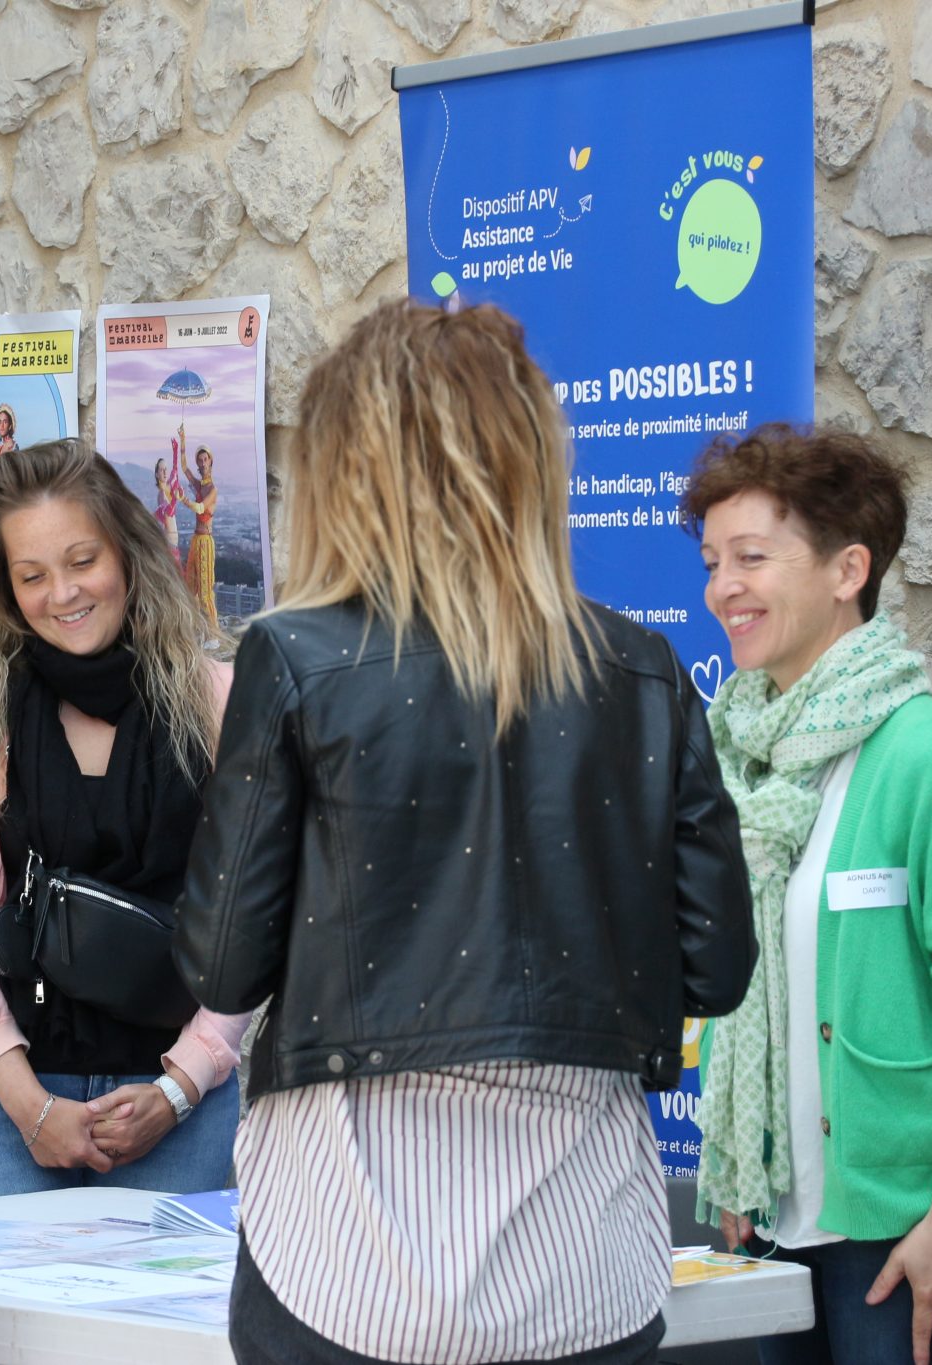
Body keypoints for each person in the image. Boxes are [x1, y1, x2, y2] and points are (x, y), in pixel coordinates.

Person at [172, 299, 757, 1365]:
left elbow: (220, 963)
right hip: (581, 1253)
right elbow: (714, 968)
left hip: (345, 1250)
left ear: (346, 470)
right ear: (528, 459)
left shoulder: (297, 660)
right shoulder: (641, 671)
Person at [683, 426, 932, 1365]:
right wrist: (743, 1164)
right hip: (779, 1223)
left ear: (849, 568)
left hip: (915, 1231)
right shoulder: (738, 759)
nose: (723, 586)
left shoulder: (926, 755)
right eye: (712, 561)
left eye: (752, 557)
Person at [0, 437, 250, 1201]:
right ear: (5, 585)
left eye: (82, 559)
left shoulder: (218, 701)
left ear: (127, 550)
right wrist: (28, 1104)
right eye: (32, 575)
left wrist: (182, 1087)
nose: (62, 592)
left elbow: (251, 913)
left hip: (171, 1107)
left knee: (146, 1328)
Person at [180, 445, 220, 630]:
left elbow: (201, 508)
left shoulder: (212, 489)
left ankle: (213, 633)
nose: (203, 463)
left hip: (205, 541)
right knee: (191, 587)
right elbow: (184, 469)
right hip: (196, 539)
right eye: (200, 460)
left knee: (205, 591)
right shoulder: (200, 484)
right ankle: (196, 628)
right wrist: (182, 444)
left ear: (211, 461)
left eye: (206, 459)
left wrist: (184, 500)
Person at [153, 437, 184, 564]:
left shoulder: (169, 487)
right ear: (157, 474)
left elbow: (175, 469)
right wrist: (175, 500)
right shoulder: (161, 495)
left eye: (166, 468)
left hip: (173, 547)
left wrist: (175, 450)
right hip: (169, 548)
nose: (165, 471)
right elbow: (167, 512)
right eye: (161, 469)